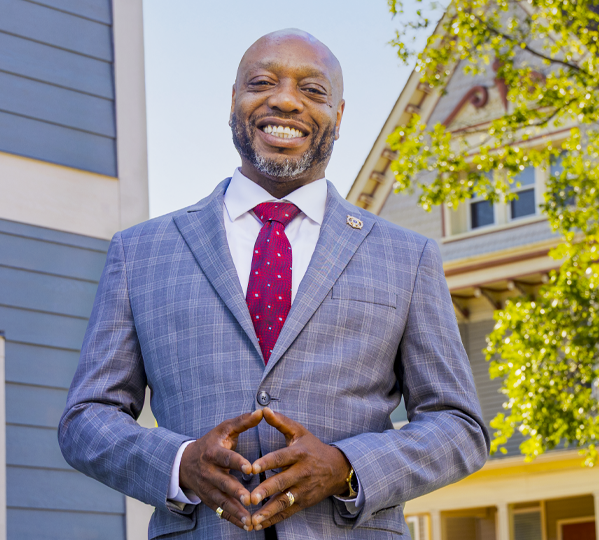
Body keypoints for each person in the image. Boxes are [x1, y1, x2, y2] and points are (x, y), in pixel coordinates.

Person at [58, 29, 489, 539]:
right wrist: (180, 463)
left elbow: (459, 428)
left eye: (313, 90)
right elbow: (87, 419)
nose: (285, 100)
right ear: (234, 103)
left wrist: (346, 466)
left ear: (340, 115)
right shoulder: (141, 252)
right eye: (262, 82)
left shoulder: (406, 257)